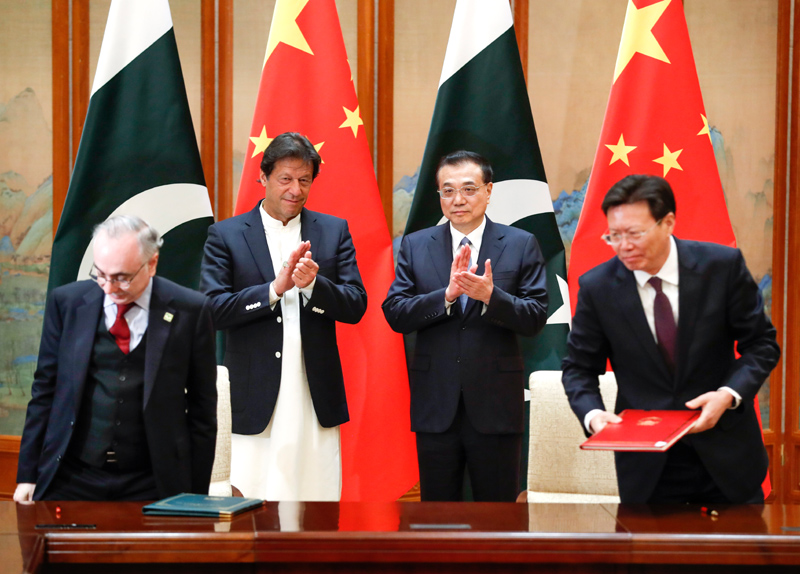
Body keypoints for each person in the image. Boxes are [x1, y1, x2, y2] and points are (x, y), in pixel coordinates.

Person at [562, 174, 780, 504]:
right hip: (648, 466)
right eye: (614, 236)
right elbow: (579, 369)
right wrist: (594, 415)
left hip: (727, 455)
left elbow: (762, 344)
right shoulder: (598, 287)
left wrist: (728, 395)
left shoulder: (721, 267)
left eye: (634, 233)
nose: (624, 246)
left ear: (668, 223)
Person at [200, 132, 367, 501]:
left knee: (316, 502)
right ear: (263, 177)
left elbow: (356, 305)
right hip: (254, 397)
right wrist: (273, 290)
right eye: (285, 179)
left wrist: (314, 286)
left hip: (313, 394)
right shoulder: (226, 235)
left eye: (304, 180)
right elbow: (212, 310)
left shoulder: (333, 230)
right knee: (250, 503)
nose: (295, 190)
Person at [382, 150, 548, 501]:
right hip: (435, 403)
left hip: (495, 404)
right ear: (439, 195)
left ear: (489, 191)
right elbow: (396, 313)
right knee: (437, 515)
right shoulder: (416, 245)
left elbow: (535, 316)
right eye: (448, 190)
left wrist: (491, 296)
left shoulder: (520, 244)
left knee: (498, 513)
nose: (458, 199)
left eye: (469, 189)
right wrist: (445, 296)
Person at [14, 215, 217, 502]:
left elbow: (202, 410)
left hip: (154, 480)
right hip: (72, 476)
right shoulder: (66, 303)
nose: (109, 288)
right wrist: (27, 474)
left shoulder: (191, 310)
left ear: (152, 264)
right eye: (100, 274)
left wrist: (195, 496)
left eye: (122, 278)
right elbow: (44, 392)